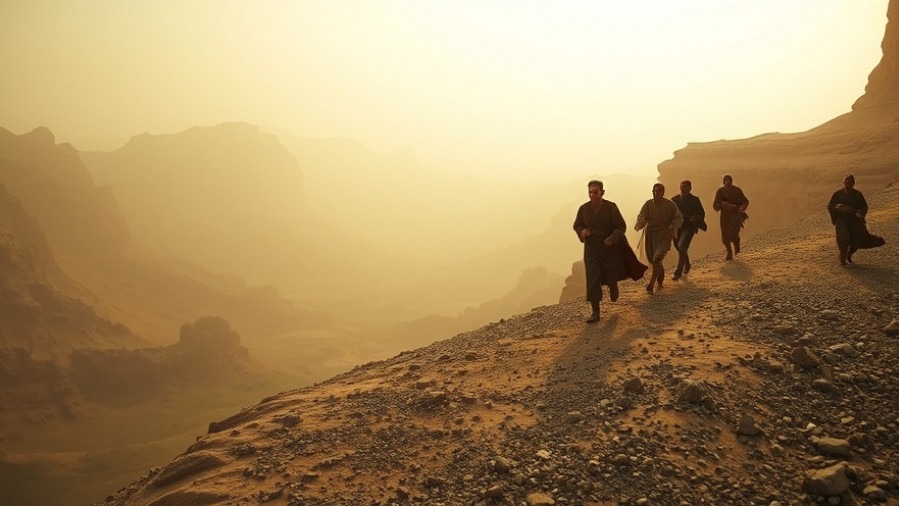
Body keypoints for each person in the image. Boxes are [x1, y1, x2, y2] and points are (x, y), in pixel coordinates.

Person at [573, 180, 627, 323]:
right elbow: (577, 225)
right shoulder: (584, 209)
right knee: (593, 278)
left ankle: (613, 285)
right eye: (590, 192)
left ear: (602, 192)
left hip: (608, 248)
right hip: (591, 249)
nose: (592, 195)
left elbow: (621, 227)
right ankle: (595, 312)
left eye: (595, 192)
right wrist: (582, 232)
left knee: (610, 273)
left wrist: (612, 238)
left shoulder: (611, 207)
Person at [826, 174, 885, 266]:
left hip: (854, 221)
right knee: (843, 239)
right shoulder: (838, 194)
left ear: (853, 183)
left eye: (849, 183)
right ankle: (842, 259)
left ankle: (849, 254)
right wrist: (838, 207)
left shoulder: (858, 194)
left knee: (856, 240)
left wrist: (860, 213)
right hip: (841, 220)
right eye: (846, 183)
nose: (847, 185)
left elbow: (864, 206)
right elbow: (830, 205)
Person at [635, 183, 683, 294]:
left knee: (657, 257)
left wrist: (671, 227)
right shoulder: (648, 205)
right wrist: (643, 222)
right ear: (653, 192)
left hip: (663, 234)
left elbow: (678, 218)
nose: (657, 193)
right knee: (653, 260)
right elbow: (641, 217)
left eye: (660, 191)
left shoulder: (670, 205)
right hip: (650, 235)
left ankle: (651, 284)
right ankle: (660, 281)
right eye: (655, 191)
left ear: (663, 192)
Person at [671, 180, 706, 280]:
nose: (683, 188)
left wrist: (693, 218)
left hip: (689, 227)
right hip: (677, 227)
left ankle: (678, 272)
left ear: (690, 188)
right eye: (682, 186)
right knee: (678, 246)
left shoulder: (695, 200)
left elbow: (701, 214)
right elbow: (669, 213)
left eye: (685, 186)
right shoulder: (674, 200)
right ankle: (687, 263)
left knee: (682, 246)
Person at [712, 174, 749, 260]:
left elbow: (745, 201)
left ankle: (736, 243)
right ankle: (729, 251)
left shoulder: (737, 190)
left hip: (735, 215)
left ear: (731, 182)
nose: (728, 183)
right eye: (726, 181)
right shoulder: (720, 191)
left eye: (729, 181)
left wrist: (741, 208)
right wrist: (720, 205)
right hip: (724, 216)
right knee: (725, 237)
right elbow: (716, 204)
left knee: (733, 234)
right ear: (723, 182)